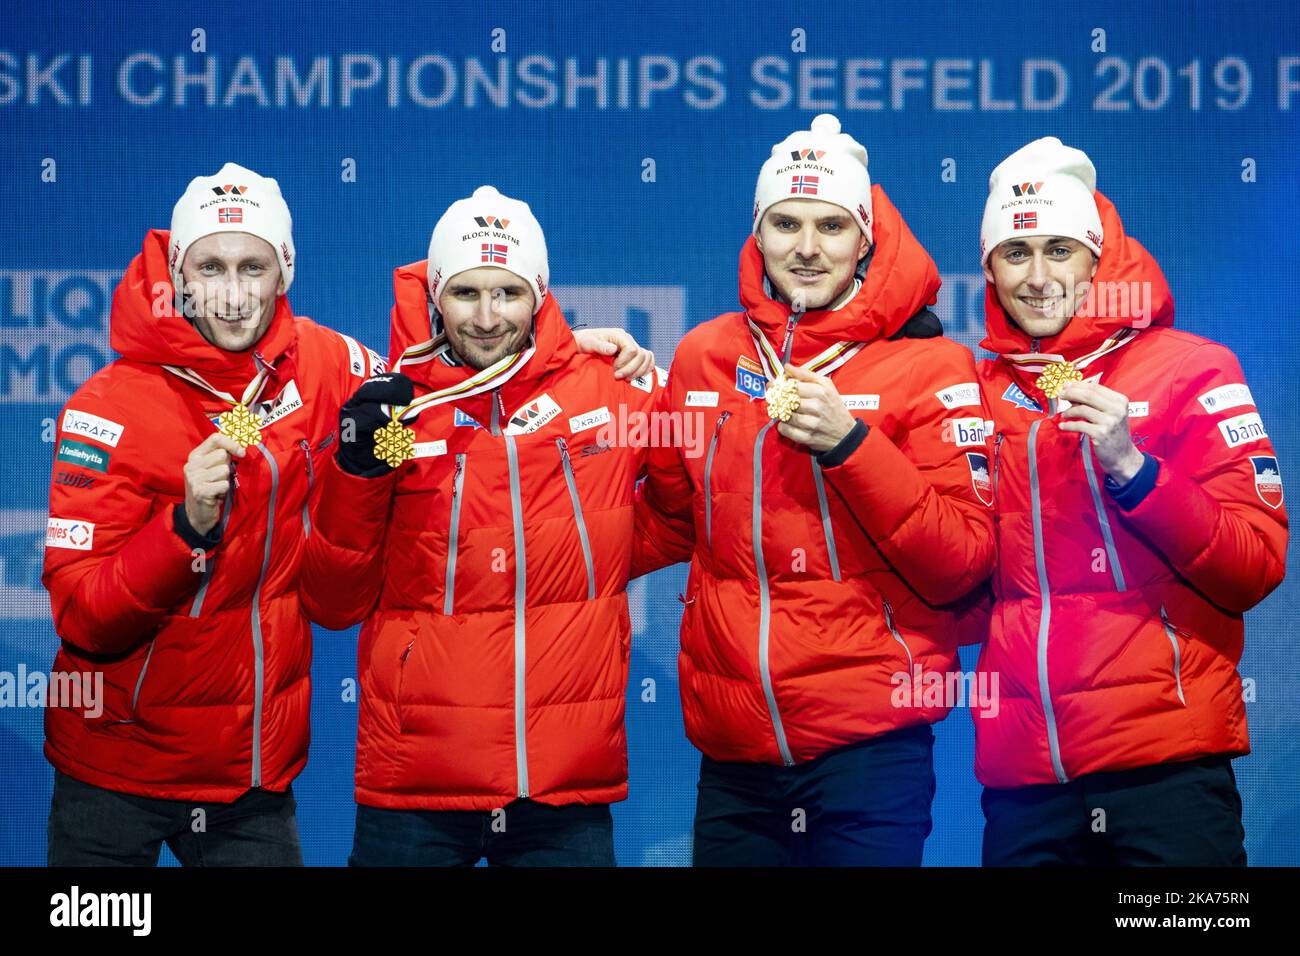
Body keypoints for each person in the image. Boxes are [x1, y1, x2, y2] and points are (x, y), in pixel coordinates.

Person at [633, 114, 997, 866]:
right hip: (734, 750)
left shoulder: (930, 367)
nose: (806, 247)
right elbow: (668, 518)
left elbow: (962, 561)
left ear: (865, 238)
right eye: (785, 223)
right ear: (756, 235)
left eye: (831, 225)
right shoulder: (705, 357)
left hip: (870, 745)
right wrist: (592, 384)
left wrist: (852, 446)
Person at [299, 185, 661, 866]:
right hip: (416, 783)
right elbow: (334, 600)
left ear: (541, 295)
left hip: (561, 784)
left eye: (510, 293)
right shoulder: (398, 413)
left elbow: (697, 487)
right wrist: (356, 470)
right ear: (436, 296)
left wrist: (598, 560)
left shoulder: (606, 390)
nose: (489, 318)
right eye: (467, 293)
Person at [42, 162, 385, 866]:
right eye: (211, 268)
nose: (232, 296)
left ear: (284, 272)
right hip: (112, 775)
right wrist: (185, 527)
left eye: (253, 267)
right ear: (179, 275)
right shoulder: (107, 407)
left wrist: (570, 354)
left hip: (248, 780)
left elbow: (429, 389)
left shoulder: (320, 365)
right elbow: (83, 620)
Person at [972, 137, 1288, 865]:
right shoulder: (977, 393)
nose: (1040, 275)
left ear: (1097, 257)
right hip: (1026, 783)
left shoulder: (1193, 368)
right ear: (989, 269)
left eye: (1061, 250)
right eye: (1015, 254)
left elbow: (1254, 565)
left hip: (1167, 770)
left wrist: (1135, 471)